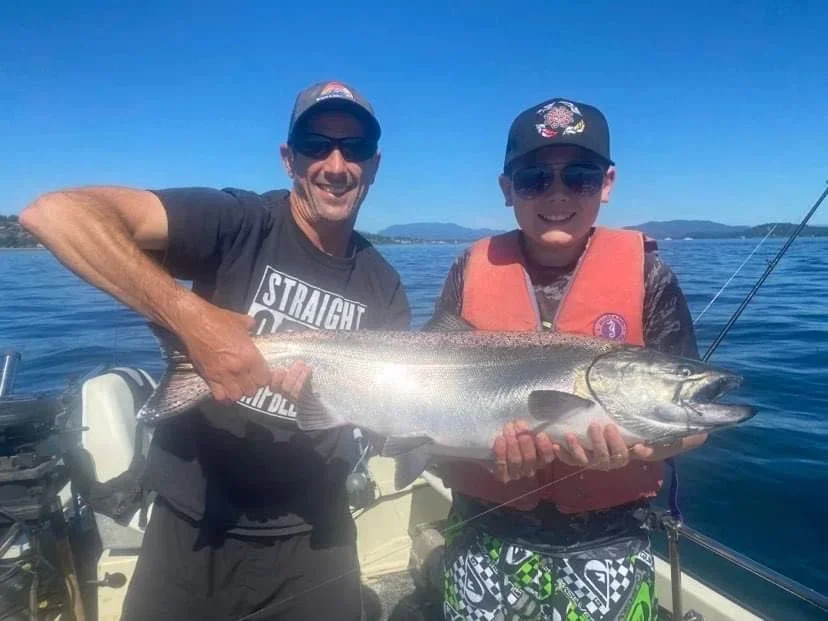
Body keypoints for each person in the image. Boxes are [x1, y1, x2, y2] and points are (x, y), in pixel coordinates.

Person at [20, 80, 410, 621]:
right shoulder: (239, 223)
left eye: (355, 148)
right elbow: (56, 213)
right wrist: (192, 319)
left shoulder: (383, 285)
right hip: (193, 526)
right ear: (289, 159)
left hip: (317, 534)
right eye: (316, 145)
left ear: (375, 164)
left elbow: (387, 422)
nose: (336, 164)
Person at [427, 98, 706, 620]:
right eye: (535, 178)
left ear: (607, 183)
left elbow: (693, 427)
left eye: (579, 176)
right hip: (482, 534)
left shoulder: (650, 278)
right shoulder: (470, 270)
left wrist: (639, 453)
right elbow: (432, 397)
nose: (557, 195)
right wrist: (480, 452)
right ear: (507, 189)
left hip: (612, 543)